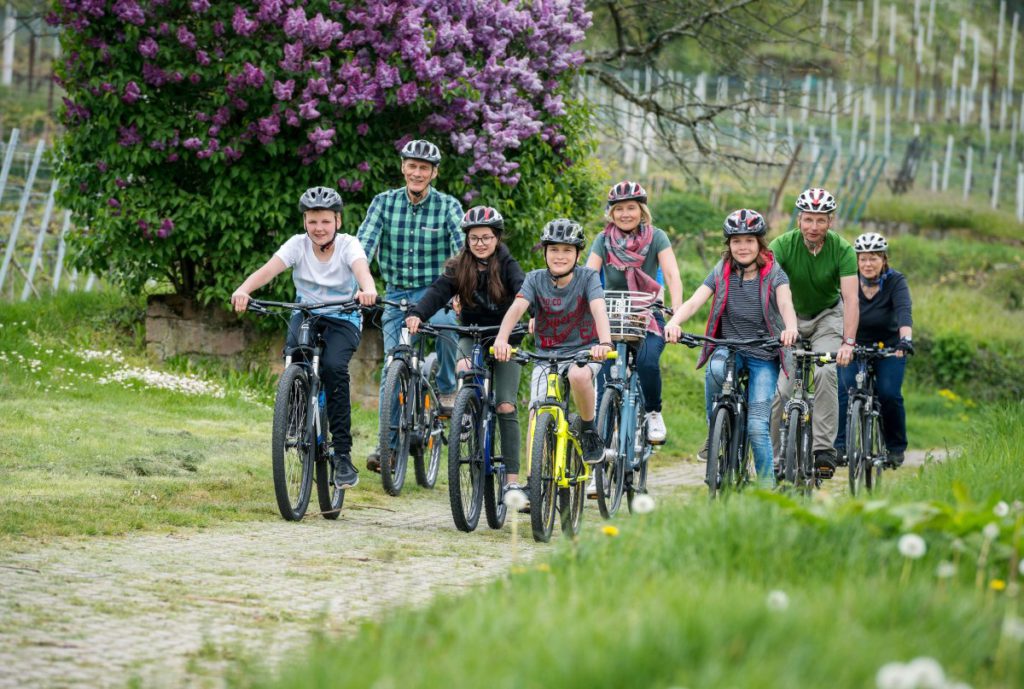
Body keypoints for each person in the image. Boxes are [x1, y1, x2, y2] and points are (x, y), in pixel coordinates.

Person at [231, 186, 378, 489]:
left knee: (335, 370)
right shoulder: (297, 245)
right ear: (305, 223)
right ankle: (297, 413)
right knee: (295, 352)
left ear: (337, 221)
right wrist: (244, 289)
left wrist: (367, 288)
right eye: (312, 221)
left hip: (344, 316)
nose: (319, 228)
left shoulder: (349, 244)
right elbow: (269, 270)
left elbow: (361, 269)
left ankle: (342, 455)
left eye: (325, 221)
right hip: (307, 312)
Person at [664, 209, 798, 486]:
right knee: (713, 368)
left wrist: (791, 328)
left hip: (764, 353)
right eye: (737, 241)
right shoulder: (722, 270)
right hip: (729, 348)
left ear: (760, 243)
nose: (743, 247)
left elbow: (786, 304)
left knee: (758, 428)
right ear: (729, 245)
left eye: (749, 240)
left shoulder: (774, 273)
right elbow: (693, 302)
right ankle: (715, 430)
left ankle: (766, 491)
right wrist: (674, 322)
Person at [357, 139, 464, 473]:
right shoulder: (383, 203)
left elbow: (462, 251)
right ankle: (386, 447)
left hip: (436, 293)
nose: (417, 173)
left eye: (424, 168)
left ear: (434, 173)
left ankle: (446, 388)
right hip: (397, 295)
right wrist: (363, 285)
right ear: (403, 167)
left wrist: (459, 289)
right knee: (393, 368)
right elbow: (363, 247)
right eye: (412, 166)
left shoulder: (447, 206)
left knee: (448, 325)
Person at [405, 206, 527, 494]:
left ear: (496, 238)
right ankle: (467, 413)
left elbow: (524, 292)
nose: (480, 243)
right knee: (463, 368)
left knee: (506, 404)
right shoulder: (459, 266)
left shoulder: (508, 265)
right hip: (472, 334)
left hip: (507, 338)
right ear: (467, 240)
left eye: (486, 237)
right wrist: (417, 314)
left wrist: (533, 317)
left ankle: (511, 482)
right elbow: (437, 292)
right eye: (474, 238)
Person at [493, 218, 613, 464]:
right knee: (537, 414)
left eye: (567, 250)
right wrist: (502, 340)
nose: (560, 256)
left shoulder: (588, 277)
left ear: (578, 254)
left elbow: (599, 309)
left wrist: (605, 343)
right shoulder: (534, 279)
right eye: (554, 249)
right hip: (547, 355)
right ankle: (532, 481)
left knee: (579, 376)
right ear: (545, 252)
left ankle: (589, 430)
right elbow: (517, 308)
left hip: (584, 351)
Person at [768, 188, 859, 476]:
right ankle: (771, 459)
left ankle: (823, 449)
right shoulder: (781, 245)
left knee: (825, 372)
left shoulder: (842, 249)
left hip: (827, 318)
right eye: (808, 220)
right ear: (799, 220)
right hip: (789, 317)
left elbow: (851, 299)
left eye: (821, 220)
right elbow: (766, 287)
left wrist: (848, 342)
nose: (814, 227)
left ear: (830, 221)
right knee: (782, 391)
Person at [585, 180, 683, 444]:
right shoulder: (602, 240)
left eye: (631, 208)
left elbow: (672, 274)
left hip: (647, 314)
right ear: (611, 212)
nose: (625, 214)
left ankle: (653, 412)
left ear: (642, 211)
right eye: (618, 209)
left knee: (647, 362)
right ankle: (601, 461)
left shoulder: (657, 237)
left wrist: (677, 313)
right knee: (604, 382)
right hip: (612, 317)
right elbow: (589, 275)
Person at [835, 232, 914, 466]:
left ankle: (895, 447)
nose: (868, 264)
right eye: (863, 259)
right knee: (844, 390)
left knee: (889, 393)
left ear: (884, 260)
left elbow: (903, 311)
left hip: (889, 348)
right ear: (856, 261)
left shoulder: (895, 281)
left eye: (874, 258)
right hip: (854, 346)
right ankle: (838, 447)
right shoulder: (848, 280)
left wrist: (905, 340)